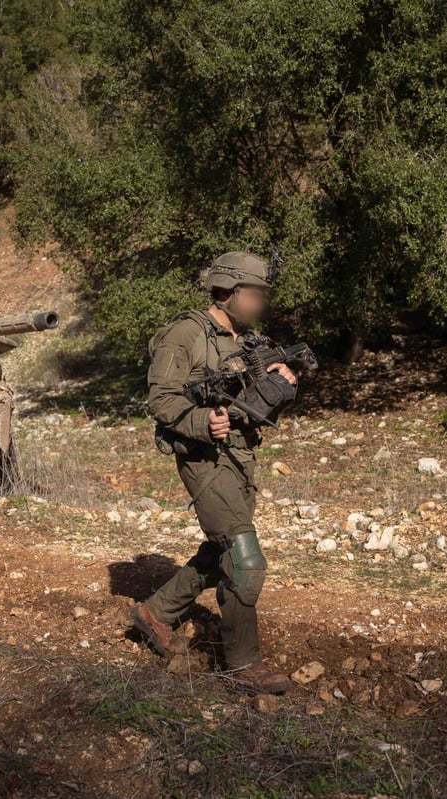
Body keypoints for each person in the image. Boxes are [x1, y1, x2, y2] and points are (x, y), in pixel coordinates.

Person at [132, 252, 298, 694]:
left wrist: (279, 384)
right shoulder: (184, 334)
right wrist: (201, 420)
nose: (261, 301)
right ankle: (243, 664)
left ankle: (156, 612)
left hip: (242, 456)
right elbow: (161, 400)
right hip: (204, 458)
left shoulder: (247, 338)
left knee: (223, 547)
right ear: (228, 291)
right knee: (246, 561)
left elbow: (252, 401)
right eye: (255, 293)